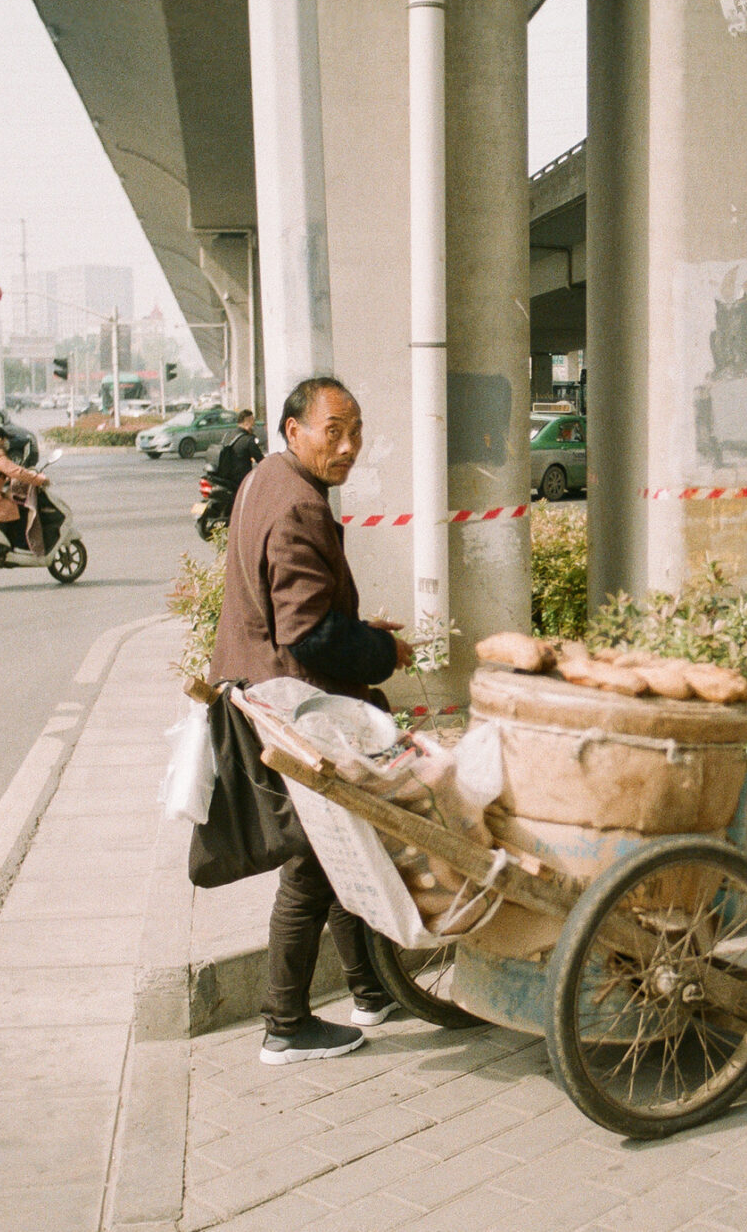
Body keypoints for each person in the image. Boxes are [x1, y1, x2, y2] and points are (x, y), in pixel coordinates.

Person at [209, 377, 408, 1065]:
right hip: (292, 705)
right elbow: (307, 634)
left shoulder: (263, 477)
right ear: (295, 430)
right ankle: (285, 1023)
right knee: (312, 865)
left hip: (261, 689)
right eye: (334, 431)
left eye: (355, 430)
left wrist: (349, 625)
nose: (348, 446)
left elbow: (292, 607)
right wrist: (383, 649)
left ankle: (370, 990)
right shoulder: (298, 505)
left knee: (336, 843)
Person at [0, 426, 48, 550]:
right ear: (0, 440)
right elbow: (17, 472)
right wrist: (39, 479)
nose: (7, 443)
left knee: (13, 505)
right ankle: (22, 547)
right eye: (5, 440)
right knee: (22, 510)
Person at [211, 408, 264, 492]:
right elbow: (261, 461)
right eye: (252, 421)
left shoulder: (228, 435)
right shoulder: (248, 440)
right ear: (247, 422)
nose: (254, 424)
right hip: (241, 480)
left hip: (226, 478)